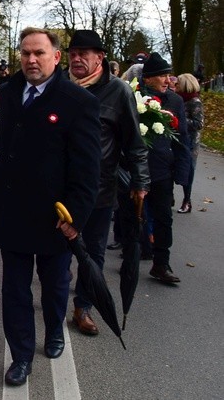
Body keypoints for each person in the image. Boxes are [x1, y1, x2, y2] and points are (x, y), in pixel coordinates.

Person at [0, 27, 101, 387]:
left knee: (54, 283)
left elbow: (87, 168)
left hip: (54, 215)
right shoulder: (8, 92)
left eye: (38, 53)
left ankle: (54, 331)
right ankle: (21, 355)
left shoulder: (78, 101)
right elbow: (7, 131)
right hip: (13, 209)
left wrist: (76, 218)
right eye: (25, 53)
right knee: (15, 288)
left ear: (56, 56)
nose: (31, 60)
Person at [66, 30, 150, 336]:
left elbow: (135, 143)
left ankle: (83, 306)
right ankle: (57, 293)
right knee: (58, 249)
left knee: (93, 251)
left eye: (83, 54)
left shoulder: (118, 92)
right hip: (60, 188)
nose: (76, 59)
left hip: (100, 189)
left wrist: (140, 181)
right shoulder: (58, 87)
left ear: (100, 57)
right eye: (73, 53)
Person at [140, 52, 191, 284]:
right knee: (133, 218)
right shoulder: (134, 97)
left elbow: (182, 139)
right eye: (162, 75)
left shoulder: (176, 101)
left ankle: (161, 264)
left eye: (169, 75)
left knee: (163, 219)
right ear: (148, 78)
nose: (167, 80)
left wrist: (182, 172)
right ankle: (132, 260)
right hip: (137, 171)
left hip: (163, 171)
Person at [176, 73, 204, 214]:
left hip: (191, 142)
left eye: (178, 83)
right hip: (179, 138)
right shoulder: (179, 99)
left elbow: (199, 124)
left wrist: (180, 120)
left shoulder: (194, 101)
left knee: (189, 170)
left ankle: (187, 200)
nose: (176, 85)